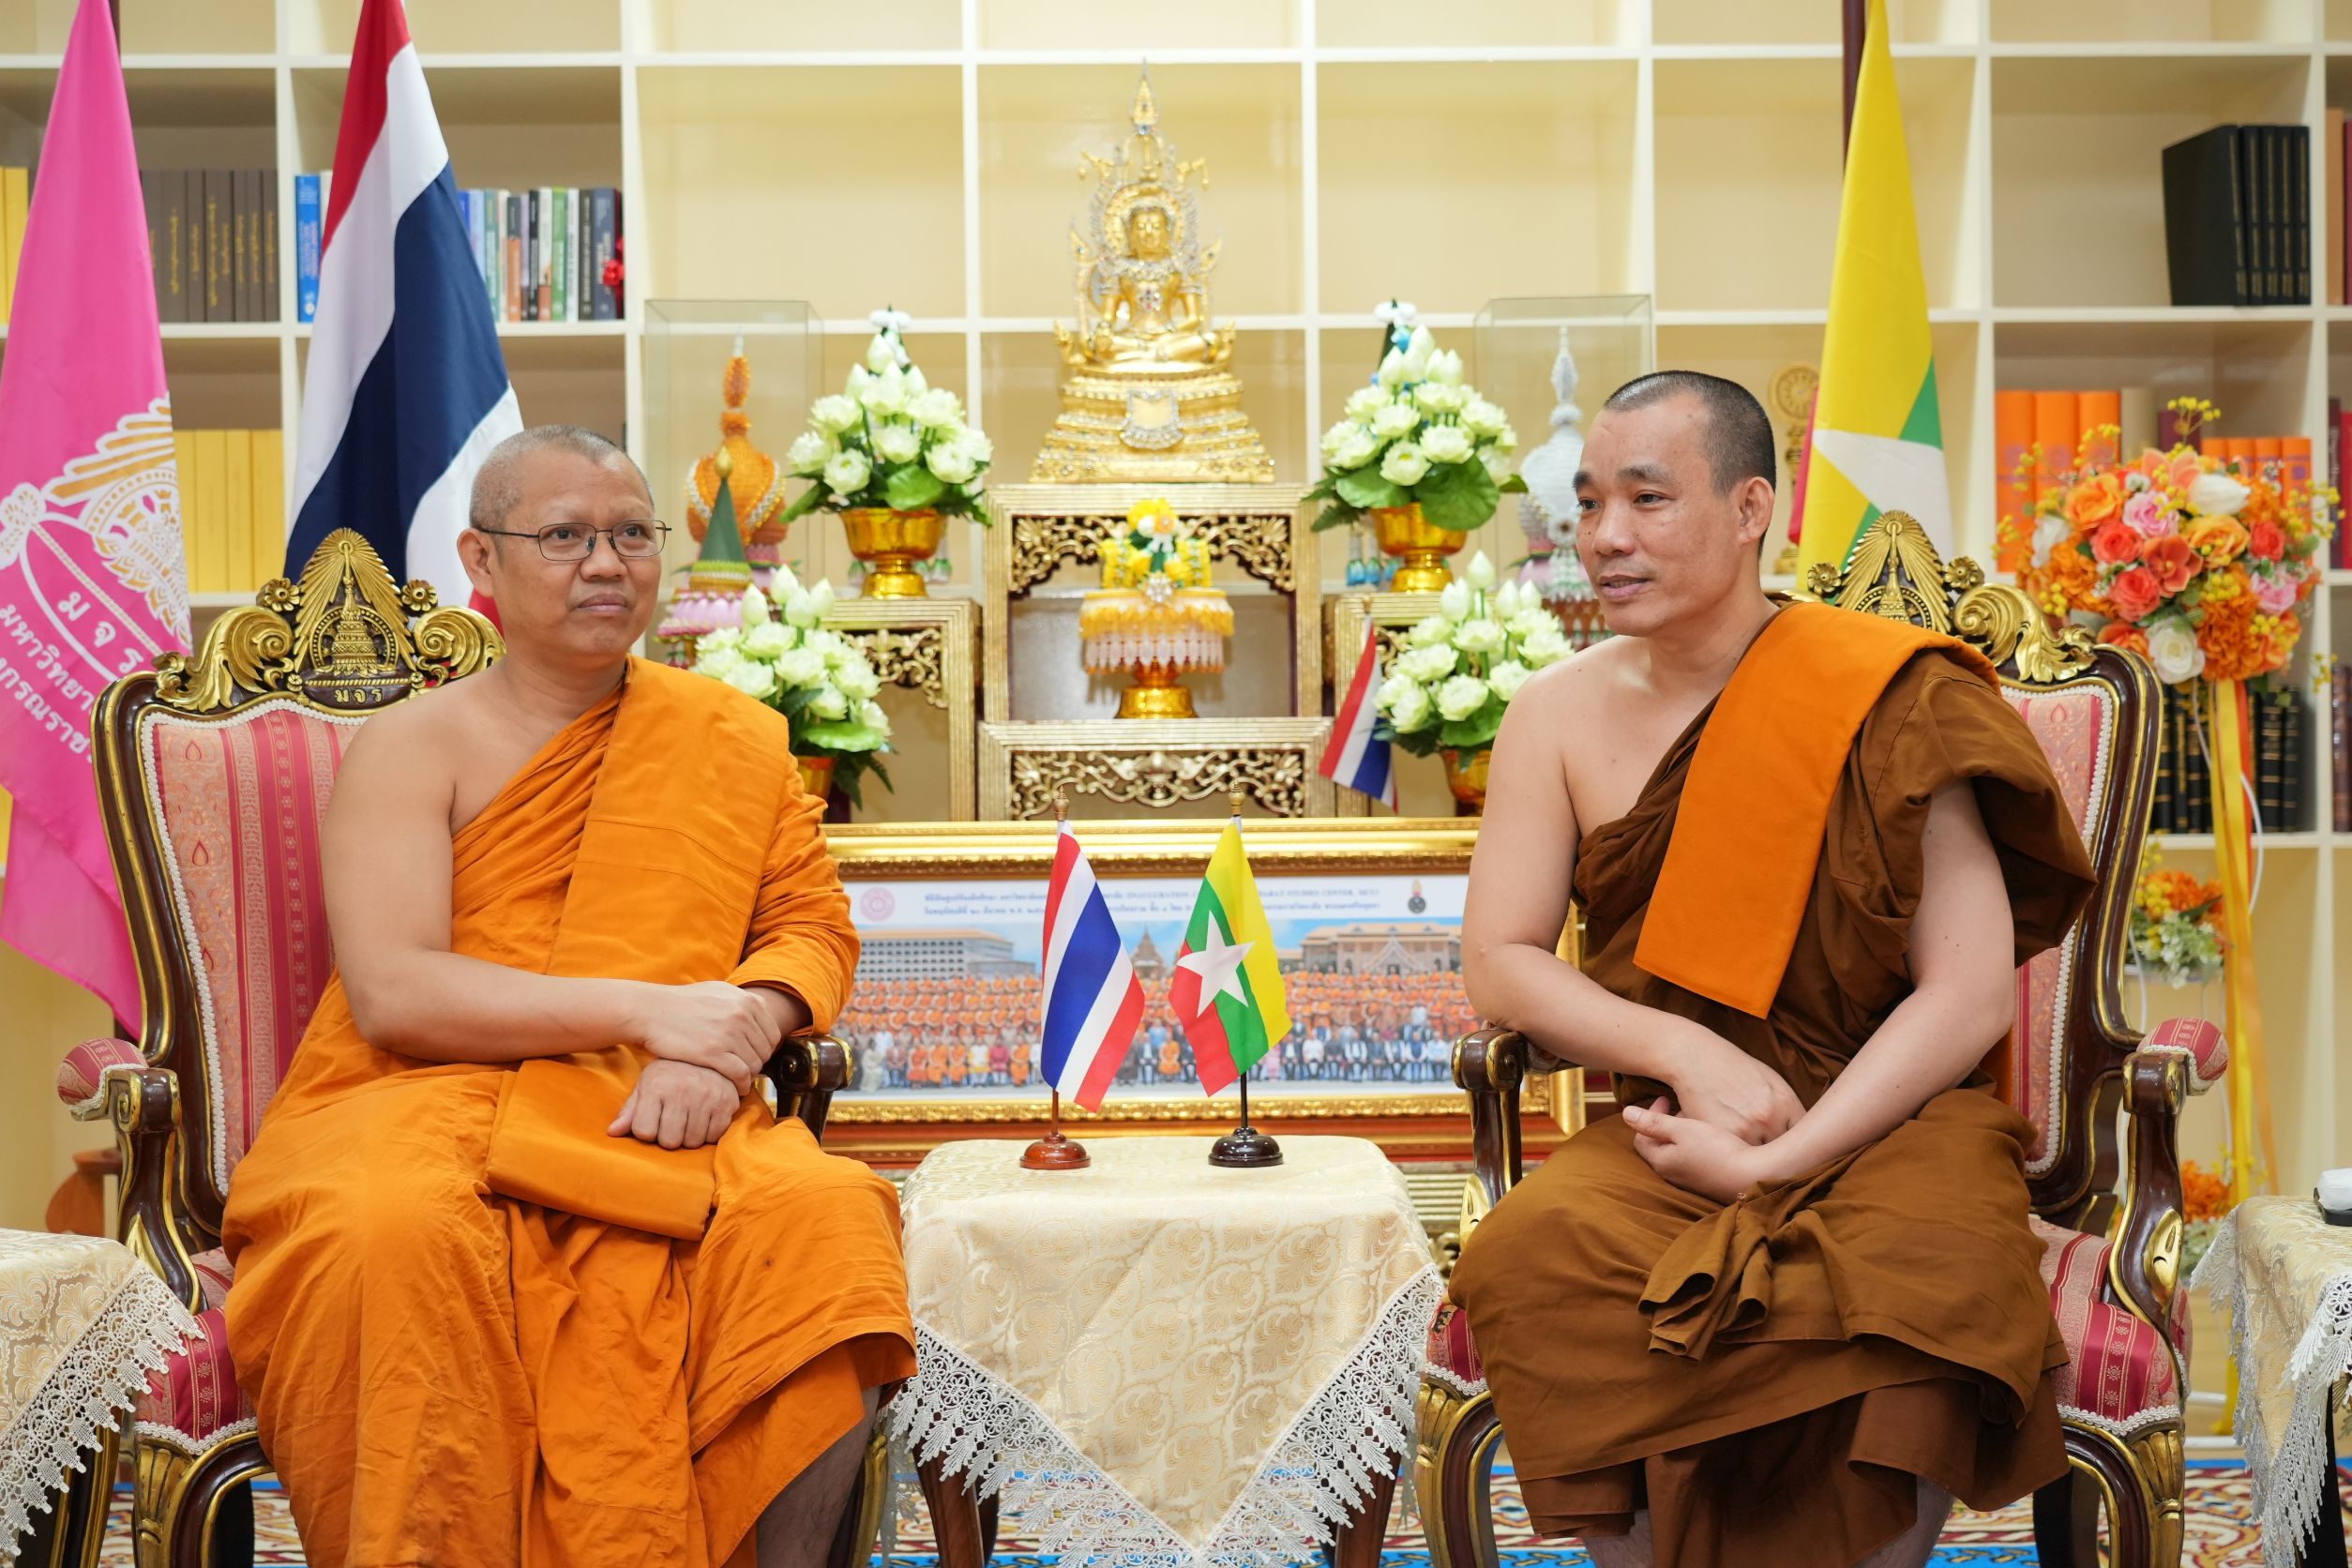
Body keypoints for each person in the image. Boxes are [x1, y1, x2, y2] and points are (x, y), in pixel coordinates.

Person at [220, 426, 914, 1568]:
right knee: (391, 1233)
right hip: (428, 1095)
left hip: (660, 1107)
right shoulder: (415, 745)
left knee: (823, 1222)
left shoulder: (731, 739)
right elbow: (395, 992)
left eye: (631, 533)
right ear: (481, 561)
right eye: (564, 536)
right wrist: (648, 1015)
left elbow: (809, 926)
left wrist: (733, 1035)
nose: (606, 562)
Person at [1446, 373, 2096, 1568]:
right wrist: (1689, 1054)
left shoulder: (1883, 693)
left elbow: (1965, 990)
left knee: (1931, 1280)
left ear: (1752, 509)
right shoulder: (1554, 715)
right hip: (1678, 1126)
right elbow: (1500, 959)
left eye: (1647, 498)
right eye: (1589, 504)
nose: (1606, 536)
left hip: (1895, 1124)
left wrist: (1781, 1160)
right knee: (1529, 1253)